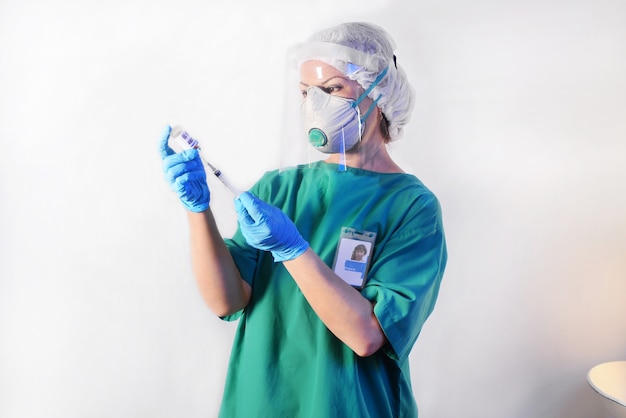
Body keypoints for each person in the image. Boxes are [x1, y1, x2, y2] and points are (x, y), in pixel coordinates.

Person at [159, 21, 447, 418]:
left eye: (331, 89)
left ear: (377, 90)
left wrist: (293, 250)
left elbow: (366, 336)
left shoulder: (412, 208)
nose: (315, 103)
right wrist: (198, 211)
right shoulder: (278, 189)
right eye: (305, 92)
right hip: (258, 404)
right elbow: (226, 300)